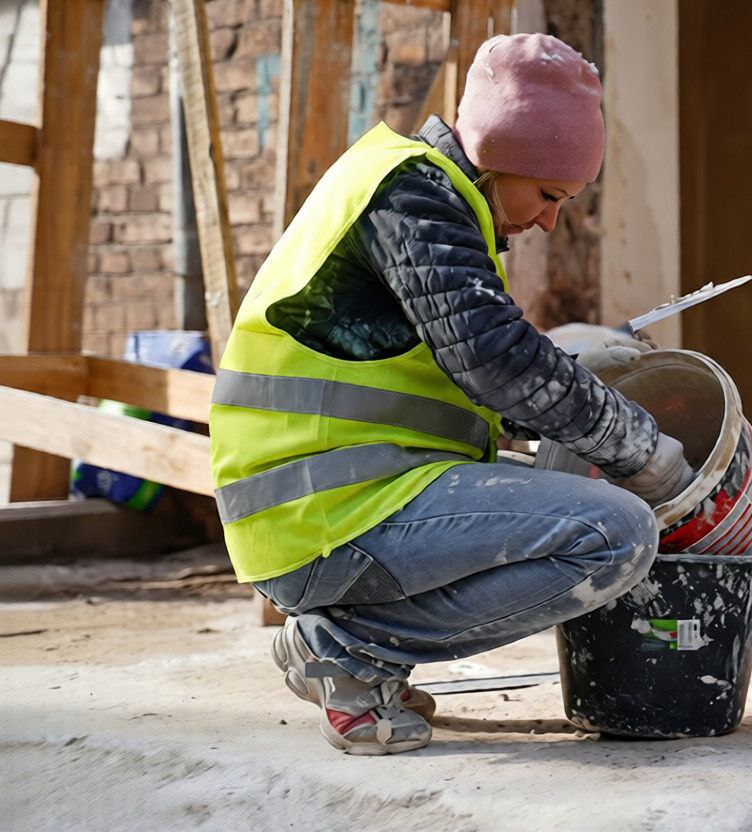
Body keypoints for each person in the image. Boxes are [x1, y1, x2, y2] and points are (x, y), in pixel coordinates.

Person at [208, 32, 695, 755]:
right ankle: (348, 649)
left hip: (328, 502)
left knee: (569, 503)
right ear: (499, 155)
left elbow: (462, 371)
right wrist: (642, 450)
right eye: (548, 195)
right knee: (614, 535)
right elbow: (495, 360)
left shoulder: (424, 195)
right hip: (322, 514)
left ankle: (350, 645)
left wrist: (573, 367)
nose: (549, 220)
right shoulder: (413, 198)